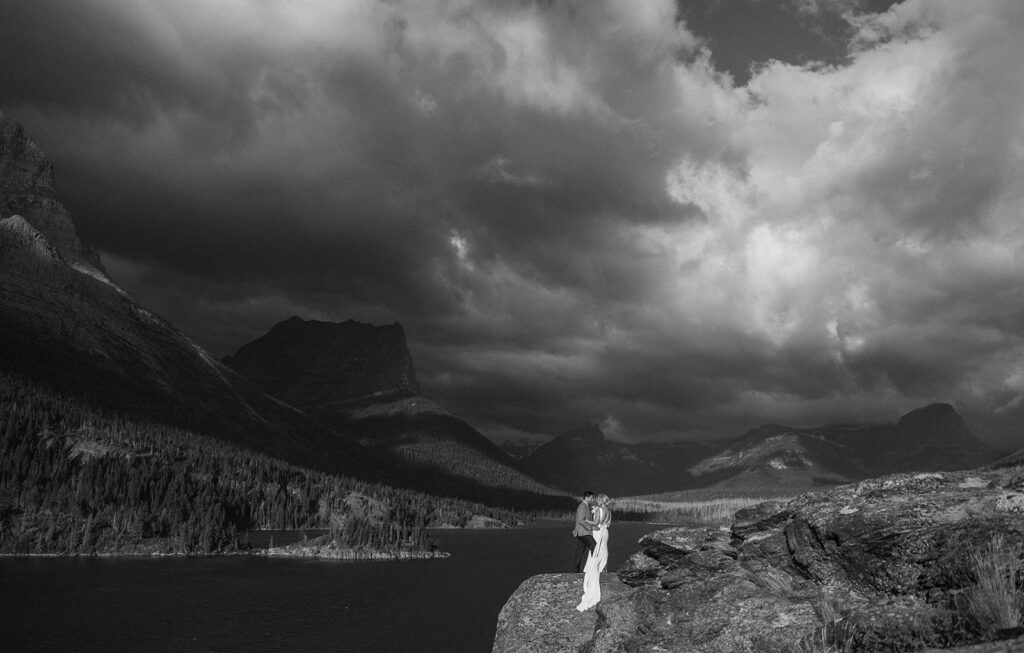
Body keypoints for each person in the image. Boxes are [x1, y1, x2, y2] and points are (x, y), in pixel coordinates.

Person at [576, 494, 612, 612]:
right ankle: (603, 568)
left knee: (595, 552)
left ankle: (596, 568)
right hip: (605, 532)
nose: (596, 501)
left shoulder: (599, 510)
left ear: (601, 500)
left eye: (598, 499)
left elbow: (596, 523)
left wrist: (586, 520)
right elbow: (607, 523)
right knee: (603, 550)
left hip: (598, 531)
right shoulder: (608, 511)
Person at [572, 491, 598, 573]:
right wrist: (591, 527)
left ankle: (576, 570)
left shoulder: (586, 506)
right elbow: (580, 520)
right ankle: (593, 568)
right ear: (586, 498)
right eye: (591, 498)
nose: (592, 499)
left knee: (579, 551)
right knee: (594, 546)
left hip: (582, 532)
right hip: (583, 532)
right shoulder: (582, 506)